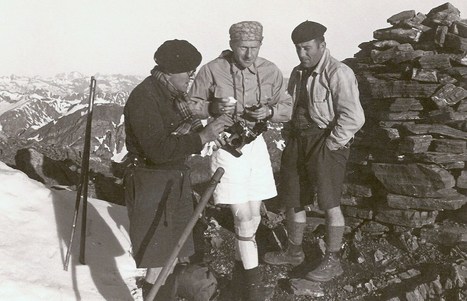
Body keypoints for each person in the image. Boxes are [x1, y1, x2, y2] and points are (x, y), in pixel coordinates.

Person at [189, 21, 292, 300]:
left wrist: (269, 112)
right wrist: (212, 108)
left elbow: (287, 106)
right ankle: (253, 288)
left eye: (254, 47)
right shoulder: (211, 70)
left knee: (255, 217)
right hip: (227, 147)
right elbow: (192, 105)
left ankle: (240, 277)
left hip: (256, 147)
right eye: (243, 48)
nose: (249, 54)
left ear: (261, 44)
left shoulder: (270, 70)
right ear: (232, 45)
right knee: (244, 218)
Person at [263, 21, 365, 282]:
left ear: (322, 45)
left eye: (307, 48)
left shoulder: (338, 72)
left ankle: (333, 261)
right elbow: (293, 105)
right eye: (298, 49)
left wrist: (331, 144)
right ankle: (294, 251)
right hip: (298, 140)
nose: (301, 54)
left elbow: (353, 117)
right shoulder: (298, 72)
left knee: (329, 202)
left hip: (325, 141)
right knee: (293, 197)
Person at [123, 39, 225, 299]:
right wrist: (202, 137)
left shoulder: (168, 93)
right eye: (187, 70)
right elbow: (157, 150)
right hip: (151, 182)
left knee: (172, 255)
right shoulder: (144, 97)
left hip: (173, 178)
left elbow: (183, 125)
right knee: (158, 260)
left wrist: (210, 123)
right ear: (168, 70)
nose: (191, 75)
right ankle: (152, 295)